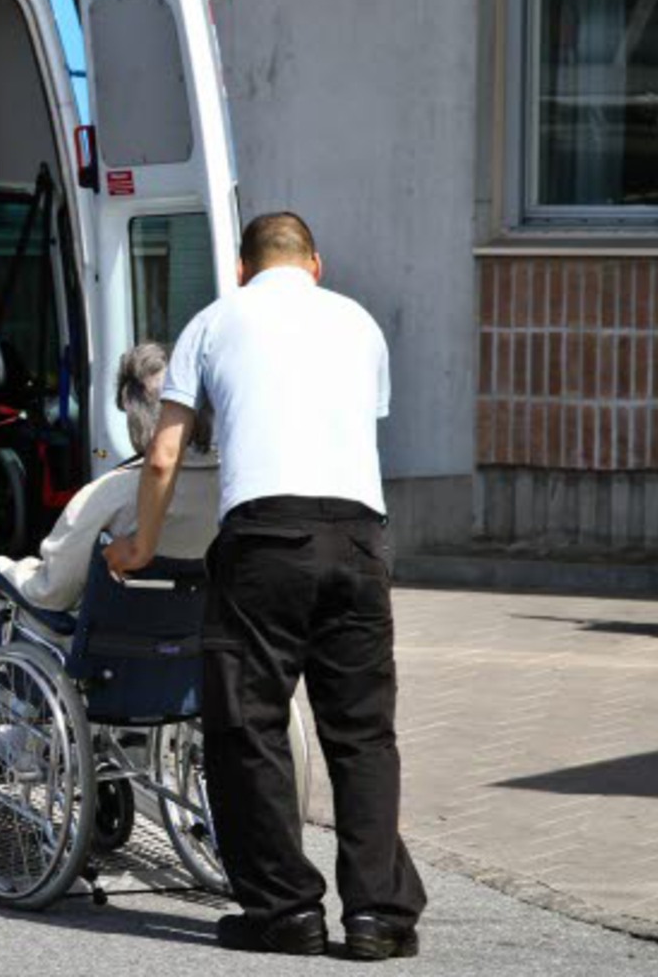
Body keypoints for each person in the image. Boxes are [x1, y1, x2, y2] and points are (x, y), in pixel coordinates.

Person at [104, 212, 426, 961]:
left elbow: (162, 456)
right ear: (315, 263)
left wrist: (140, 545)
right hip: (357, 538)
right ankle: (378, 915)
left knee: (248, 729)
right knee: (362, 736)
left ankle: (286, 912)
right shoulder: (359, 324)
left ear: (243, 269)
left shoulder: (215, 321)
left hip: (263, 543)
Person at [0, 342, 215, 611]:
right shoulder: (235, 488)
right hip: (195, 638)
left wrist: (10, 570)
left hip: (120, 640)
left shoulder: (108, 495)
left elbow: (52, 593)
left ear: (136, 416)